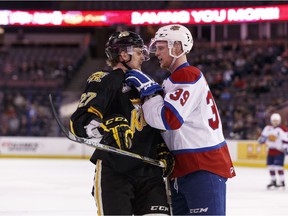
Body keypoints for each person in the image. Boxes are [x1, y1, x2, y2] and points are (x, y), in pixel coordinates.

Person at [125, 24, 236, 215]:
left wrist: (150, 95)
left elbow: (169, 119)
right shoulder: (173, 79)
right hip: (184, 168)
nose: (156, 53)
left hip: (202, 166)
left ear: (176, 47)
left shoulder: (187, 74)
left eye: (160, 48)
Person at [69, 30, 174, 215]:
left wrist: (162, 148)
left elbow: (155, 123)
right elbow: (80, 121)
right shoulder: (104, 80)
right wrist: (105, 127)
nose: (143, 57)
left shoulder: (149, 83)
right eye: (139, 52)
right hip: (115, 173)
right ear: (124, 54)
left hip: (150, 172)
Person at [258, 113, 288, 189]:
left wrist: (286, 148)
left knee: (278, 167)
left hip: (279, 151)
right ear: (271, 121)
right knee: (270, 166)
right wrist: (261, 140)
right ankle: (273, 181)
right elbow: (263, 137)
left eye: (277, 121)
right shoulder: (268, 128)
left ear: (280, 121)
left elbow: (285, 140)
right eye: (274, 120)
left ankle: (282, 182)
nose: (275, 122)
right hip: (271, 150)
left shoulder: (282, 129)